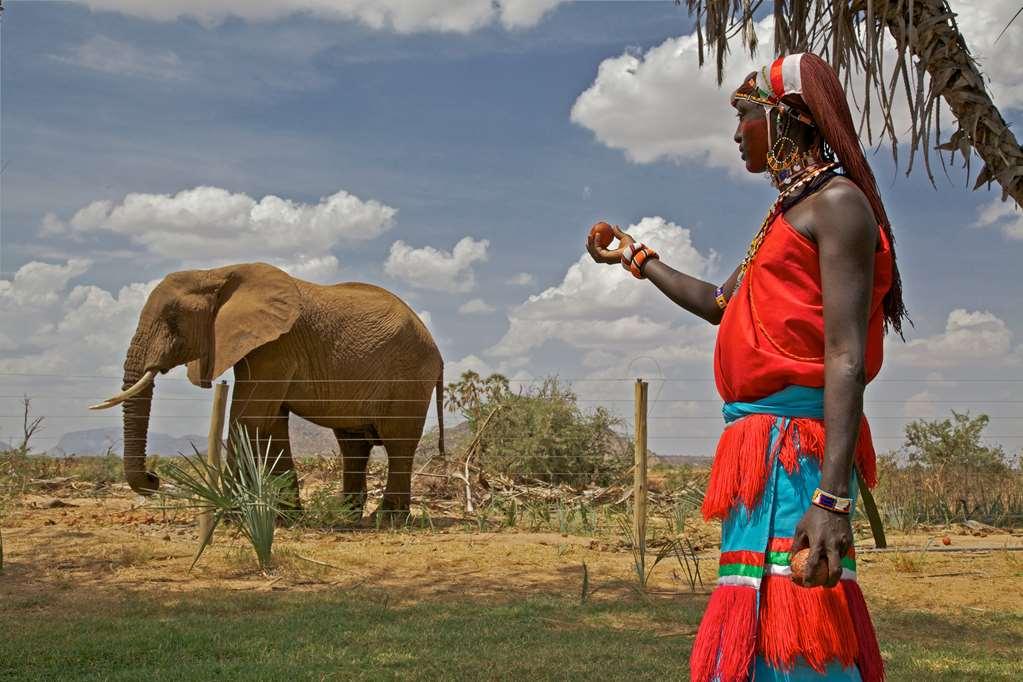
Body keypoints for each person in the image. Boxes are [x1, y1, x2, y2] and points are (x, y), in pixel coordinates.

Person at [586, 53, 906, 681]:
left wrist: (831, 497)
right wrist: (636, 256)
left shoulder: (838, 206)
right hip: (759, 454)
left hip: (800, 459)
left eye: (746, 117)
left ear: (788, 118)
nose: (737, 135)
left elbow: (844, 356)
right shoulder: (786, 217)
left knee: (799, 629)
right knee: (759, 623)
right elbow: (718, 303)